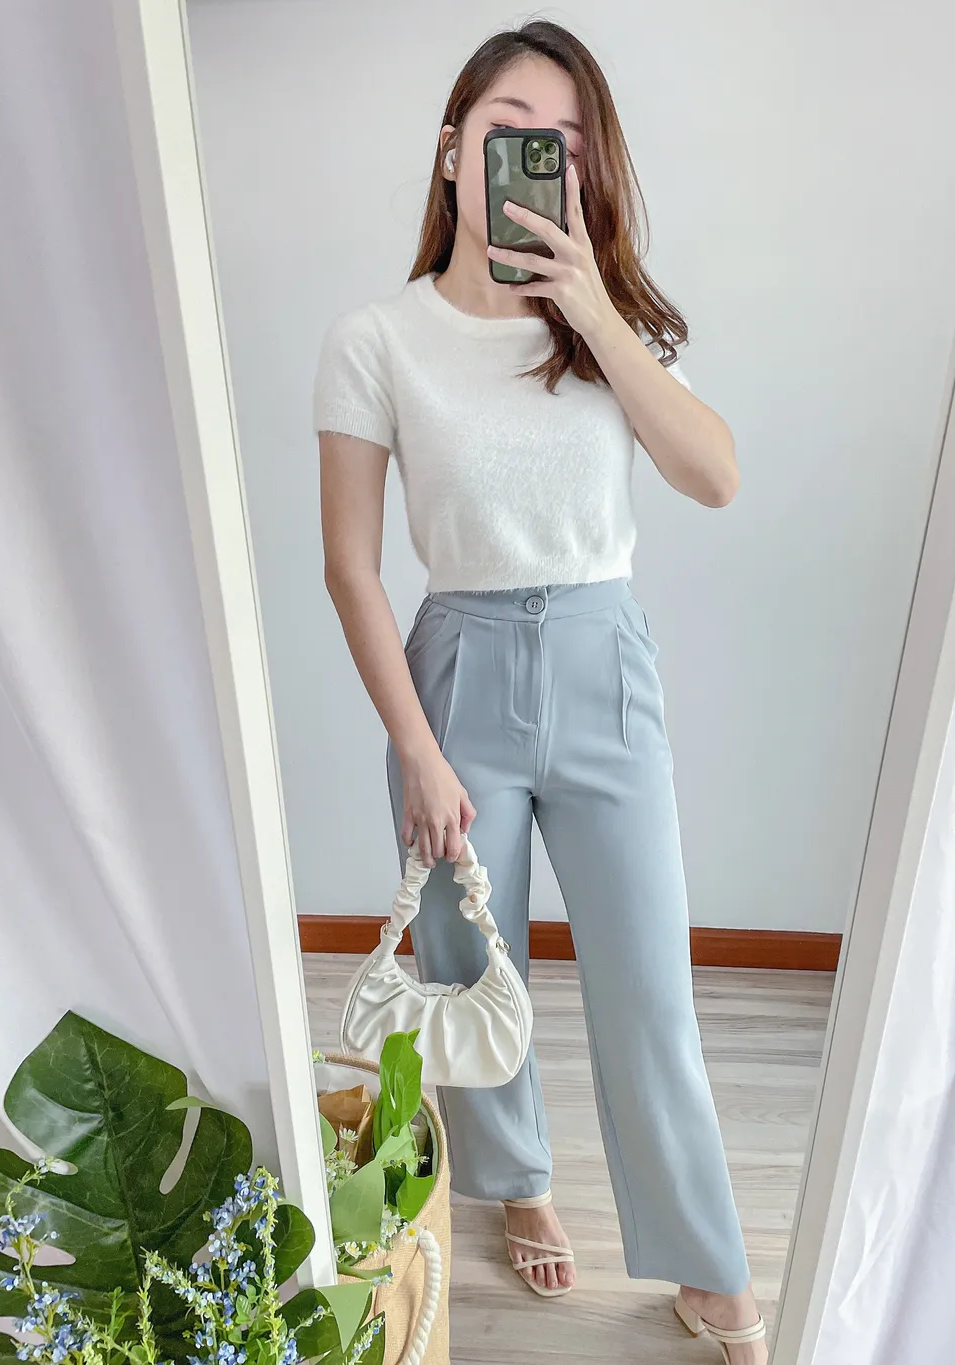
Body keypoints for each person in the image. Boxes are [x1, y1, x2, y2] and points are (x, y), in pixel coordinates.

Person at [315, 20, 767, 1365]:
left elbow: (715, 477)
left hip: (600, 658)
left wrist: (595, 311)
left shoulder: (609, 324)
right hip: (454, 672)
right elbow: (350, 568)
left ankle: (708, 1263)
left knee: (650, 989)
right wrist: (417, 749)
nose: (537, 154)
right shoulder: (377, 339)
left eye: (565, 140)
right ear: (454, 149)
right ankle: (516, 1185)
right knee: (472, 958)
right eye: (512, 126)